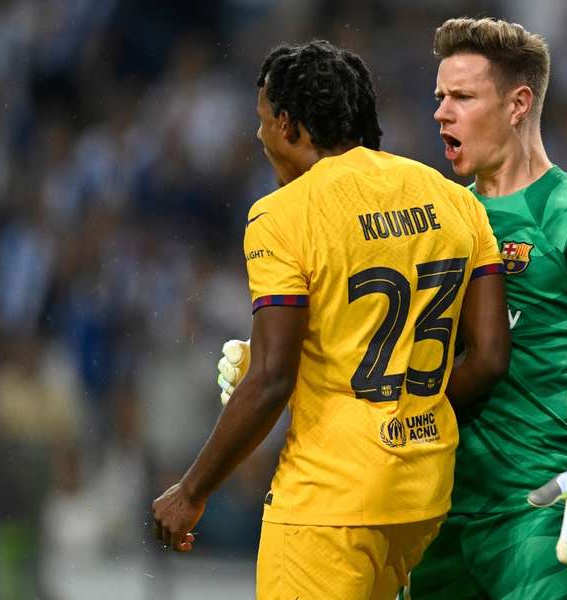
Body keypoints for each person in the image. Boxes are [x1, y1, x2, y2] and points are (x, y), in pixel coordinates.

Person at [152, 40, 511, 600]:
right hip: (420, 494)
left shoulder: (282, 216)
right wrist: (411, 413)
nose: (259, 136)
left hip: (327, 503)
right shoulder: (455, 201)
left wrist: (191, 491)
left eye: (264, 121)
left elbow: (272, 380)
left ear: (291, 127)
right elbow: (488, 357)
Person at [405, 17, 567, 599]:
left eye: (462, 97)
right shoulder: (440, 217)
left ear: (519, 103)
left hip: (537, 518)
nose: (441, 113)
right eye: (439, 97)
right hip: (434, 514)